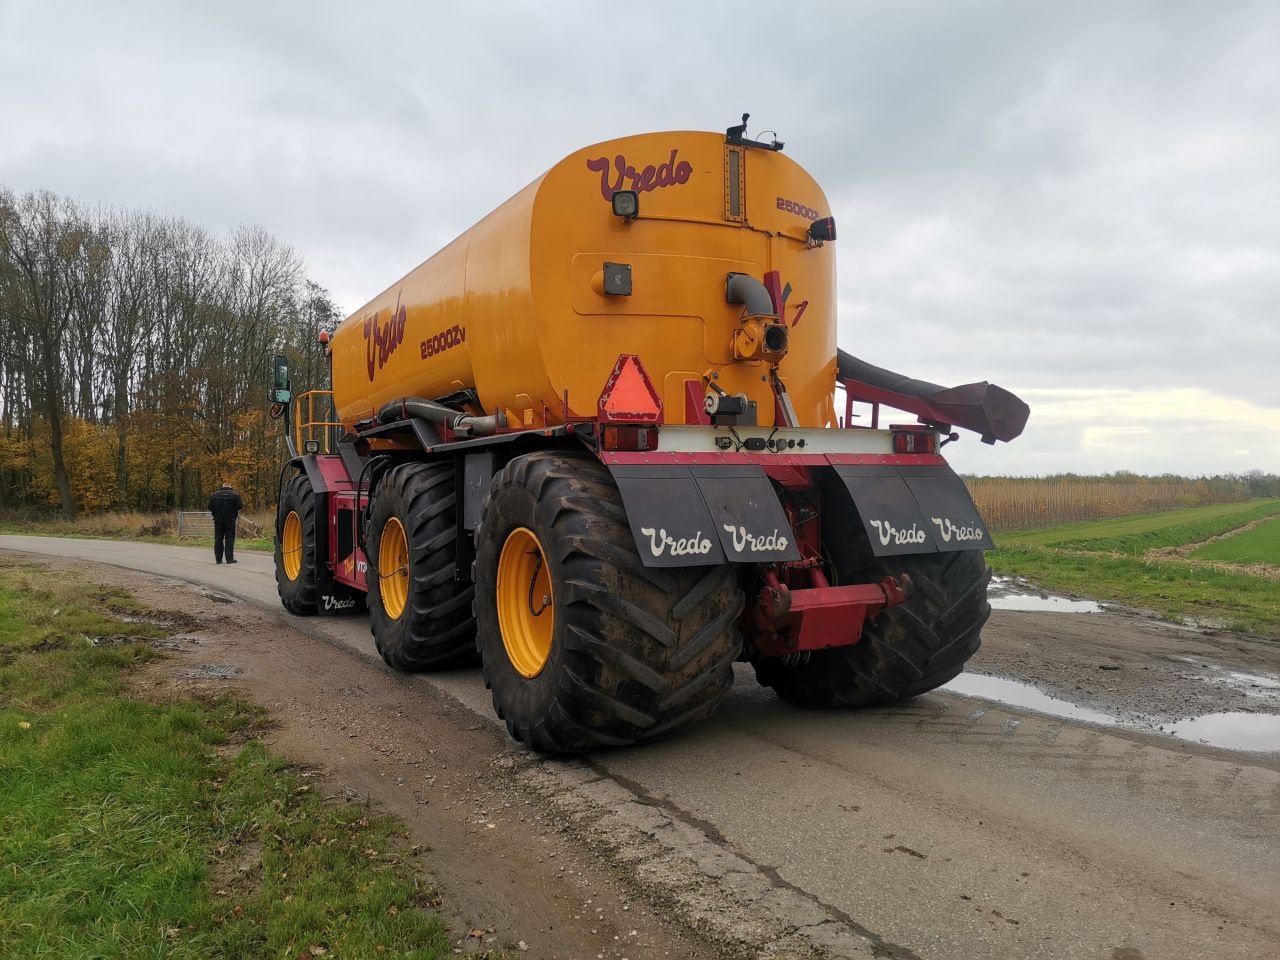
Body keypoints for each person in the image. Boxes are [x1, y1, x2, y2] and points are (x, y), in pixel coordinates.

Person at [208, 482, 244, 564]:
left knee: (218, 539)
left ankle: (218, 559)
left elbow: (210, 507)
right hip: (230, 520)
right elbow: (240, 506)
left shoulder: (214, 495)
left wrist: (216, 512)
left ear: (222, 487)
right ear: (230, 487)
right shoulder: (235, 495)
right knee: (230, 539)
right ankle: (229, 559)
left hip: (218, 520)